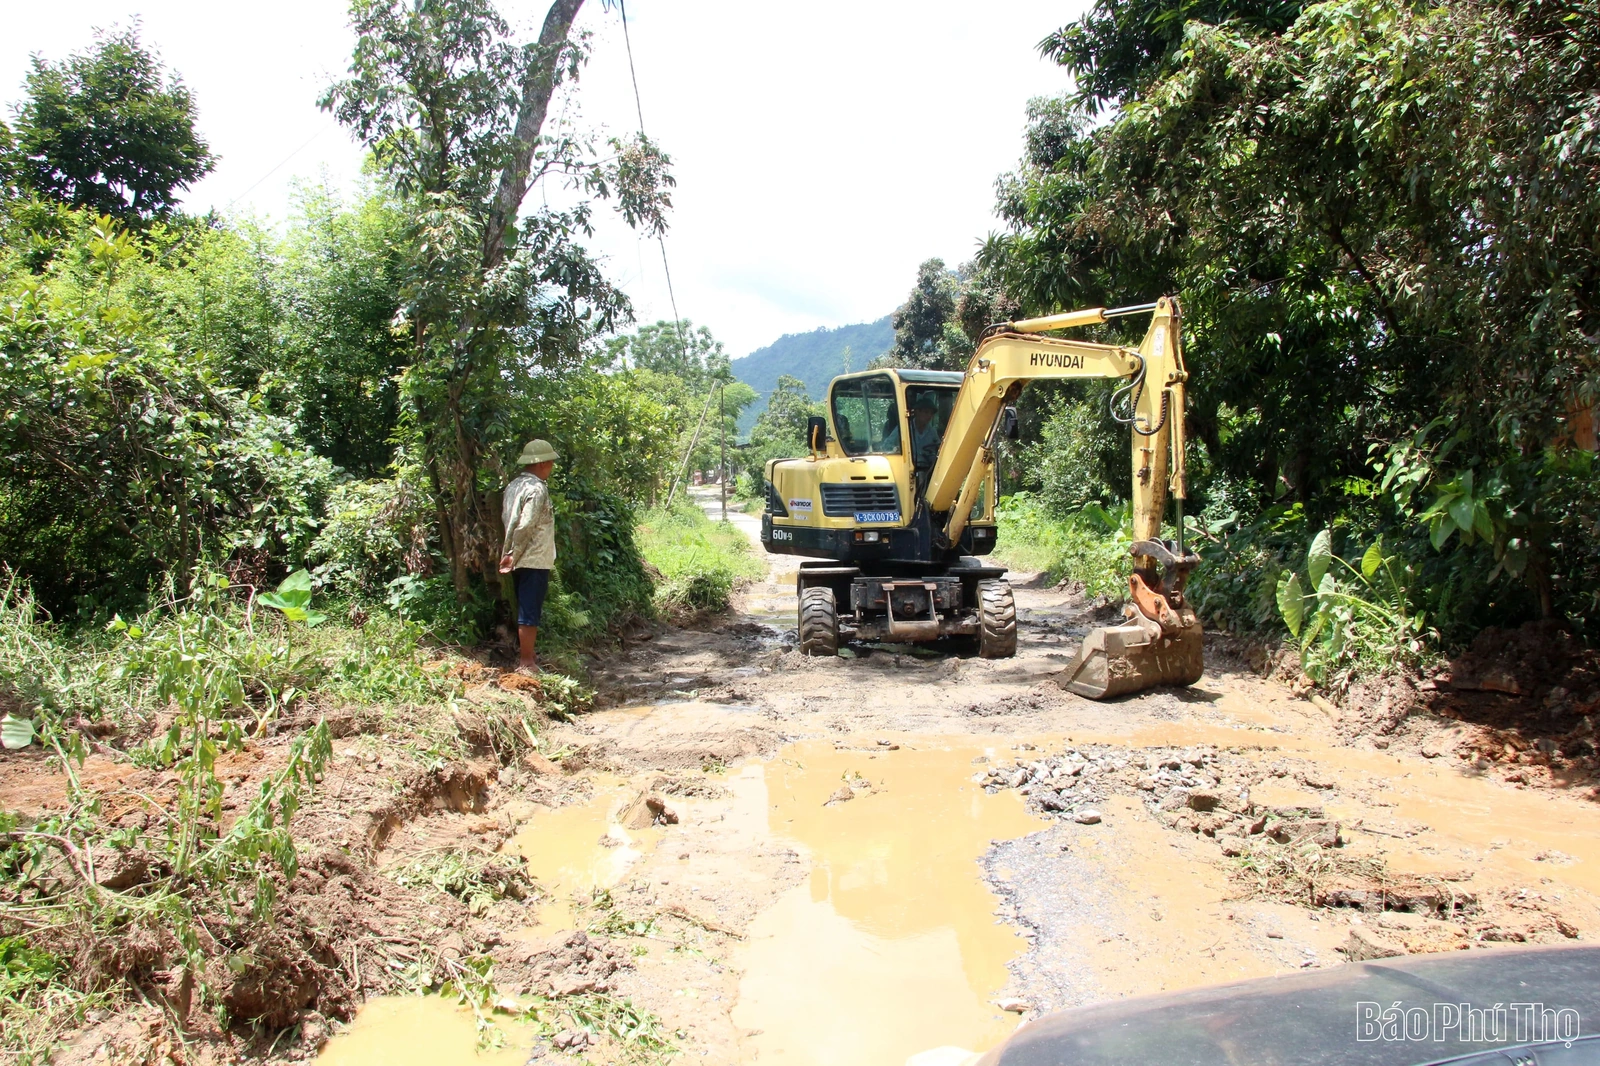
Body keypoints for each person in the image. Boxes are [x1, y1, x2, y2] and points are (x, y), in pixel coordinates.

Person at [499, 439, 558, 673]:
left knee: (525, 606)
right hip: (532, 557)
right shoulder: (537, 489)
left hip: (518, 555)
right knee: (530, 610)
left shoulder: (513, 486)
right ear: (542, 463)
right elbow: (526, 525)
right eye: (550, 463)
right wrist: (515, 553)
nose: (551, 467)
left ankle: (529, 654)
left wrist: (509, 552)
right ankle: (526, 662)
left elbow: (509, 520)